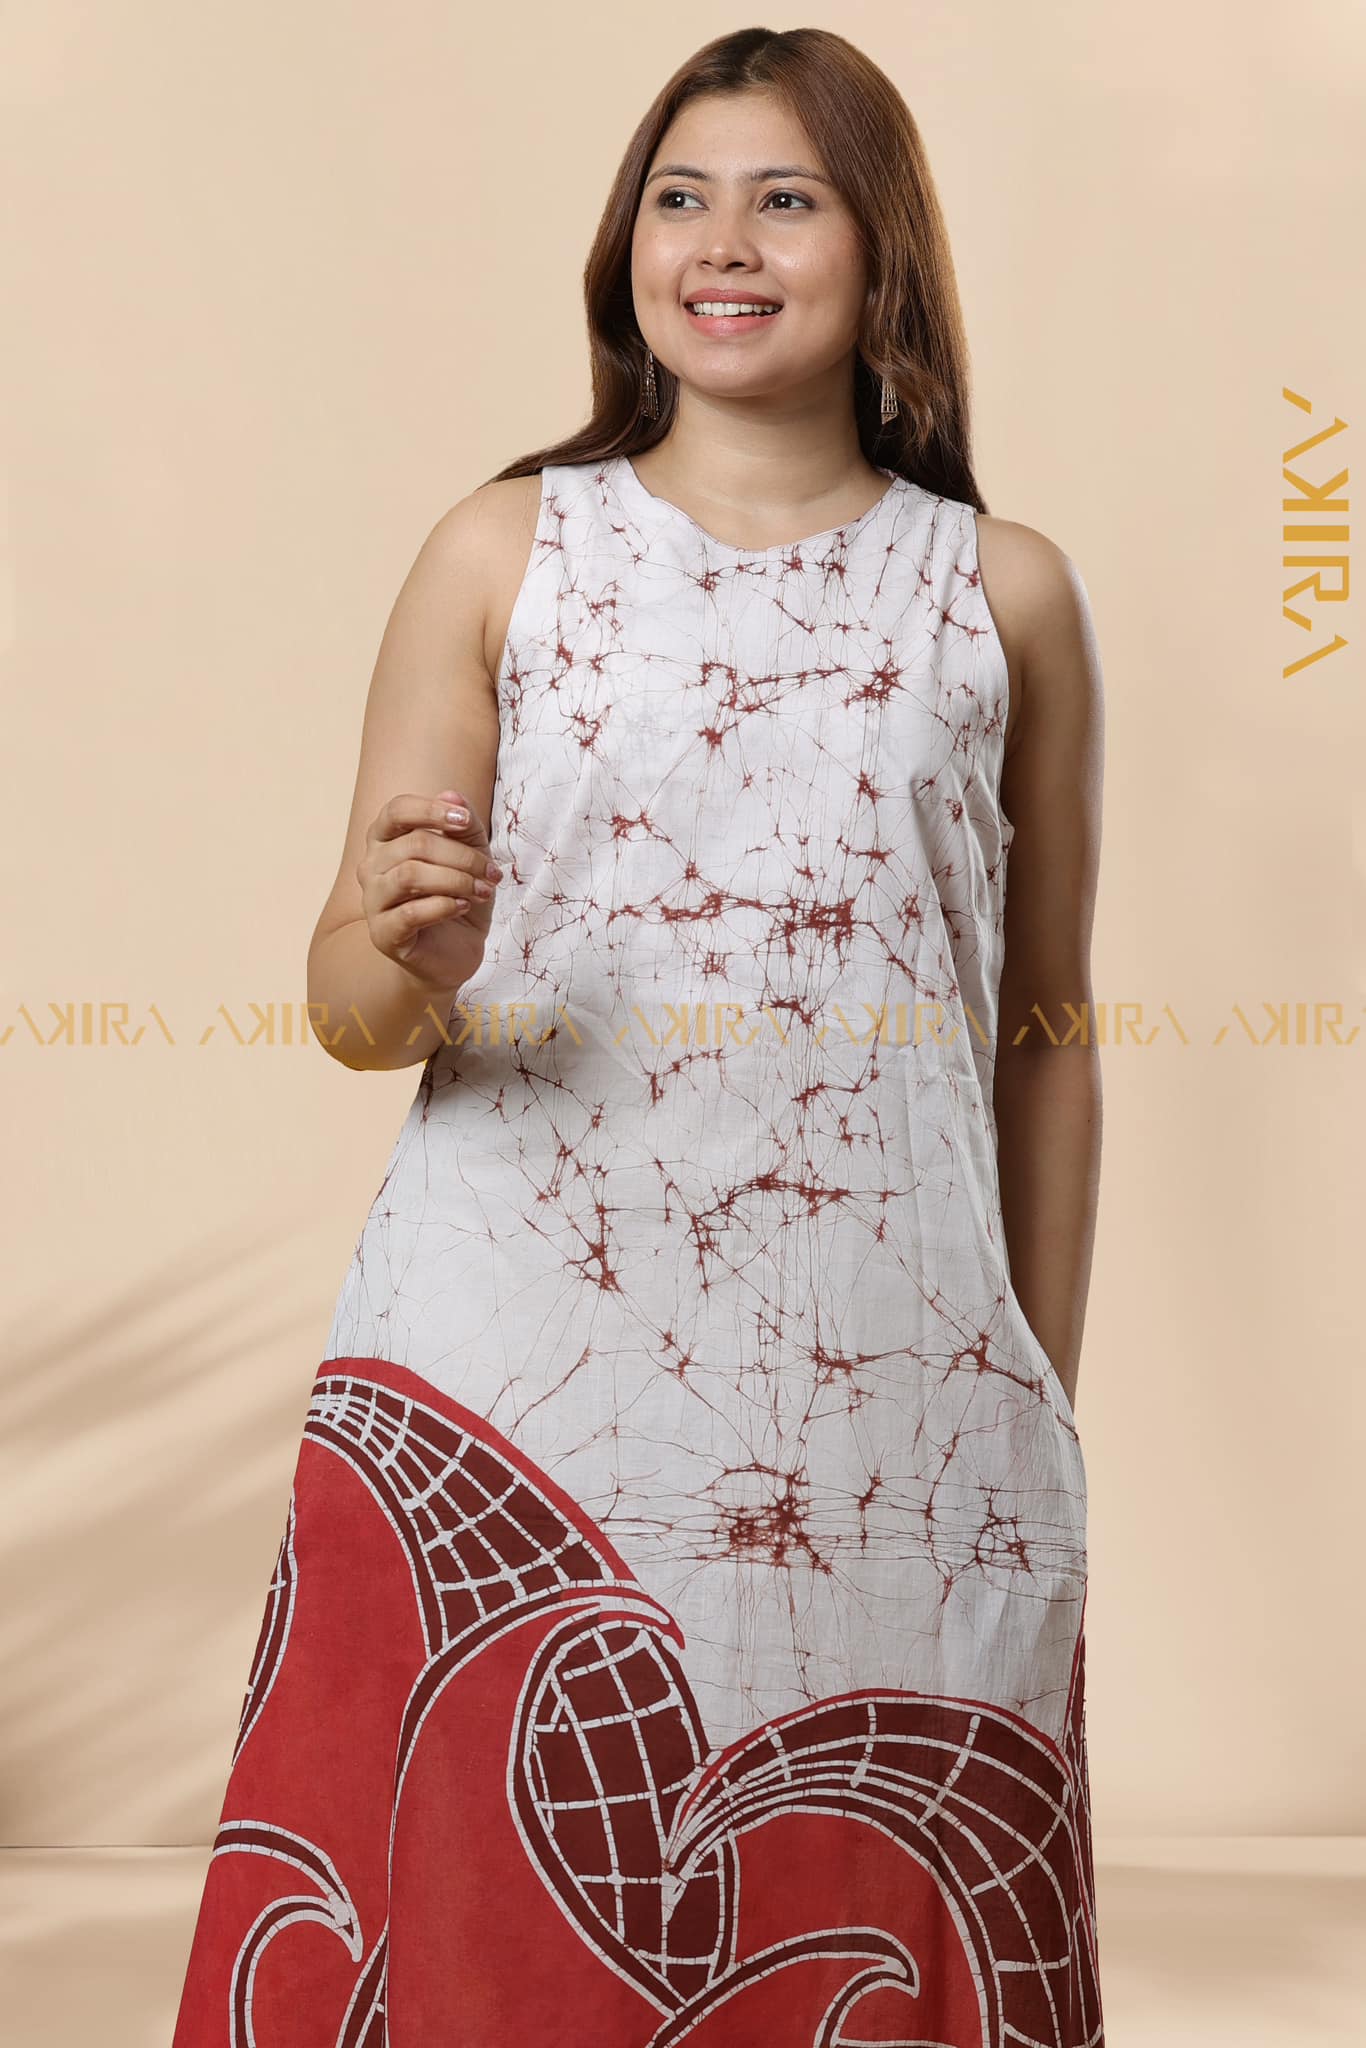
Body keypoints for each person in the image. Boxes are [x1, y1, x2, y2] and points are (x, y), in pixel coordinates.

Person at [172, 24, 1105, 2045]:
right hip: (518, 1361)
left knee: (854, 1911)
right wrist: (407, 948)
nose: (721, 243)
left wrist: (1030, 1383)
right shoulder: (502, 549)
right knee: (491, 1912)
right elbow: (349, 1008)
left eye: (783, 198)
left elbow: (1041, 1031)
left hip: (886, 1388)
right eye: (679, 198)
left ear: (881, 250)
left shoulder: (999, 596)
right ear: (624, 250)